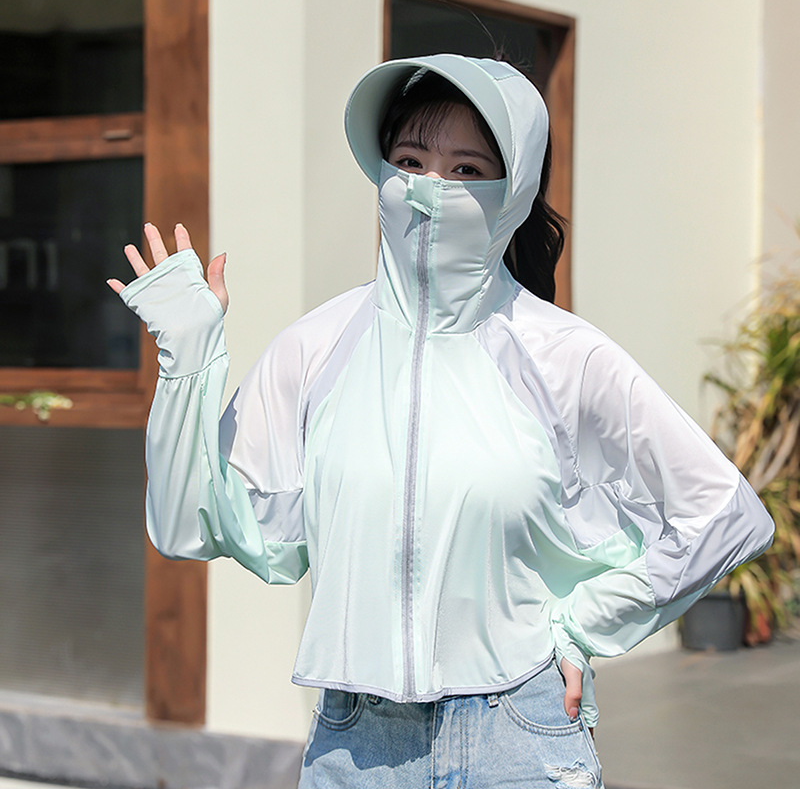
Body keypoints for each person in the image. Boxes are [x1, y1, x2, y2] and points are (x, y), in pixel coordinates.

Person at [109, 55, 774, 788]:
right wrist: (188, 360)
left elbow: (725, 514)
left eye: (466, 169)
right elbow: (186, 524)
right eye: (410, 160)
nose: (430, 186)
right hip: (356, 749)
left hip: (519, 737)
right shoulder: (314, 348)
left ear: (513, 191)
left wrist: (581, 626)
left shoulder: (565, 355)